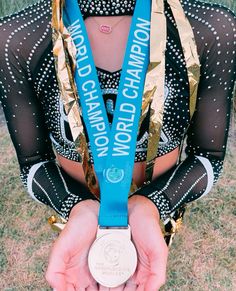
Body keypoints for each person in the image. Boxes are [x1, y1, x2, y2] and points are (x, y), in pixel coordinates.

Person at [0, 0, 235, 290]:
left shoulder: (209, 28)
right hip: (76, 224)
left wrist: (151, 206)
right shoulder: (17, 37)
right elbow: (34, 163)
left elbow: (207, 157)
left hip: (159, 216)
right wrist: (77, 209)